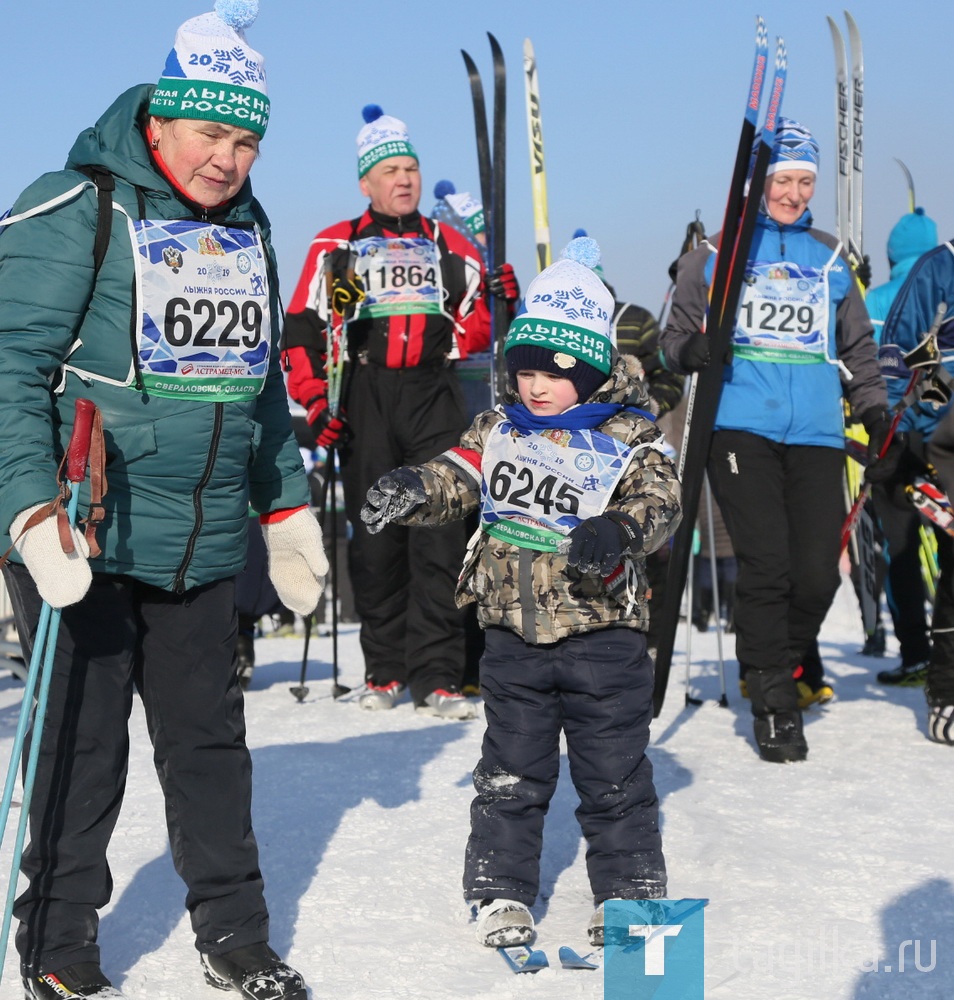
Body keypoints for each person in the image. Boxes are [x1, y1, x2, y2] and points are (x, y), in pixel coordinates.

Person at [0, 4, 326, 998]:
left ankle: (236, 933)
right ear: (160, 121)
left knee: (210, 745)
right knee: (80, 746)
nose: (228, 159)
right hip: (83, 528)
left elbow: (258, 383)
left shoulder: (250, 229)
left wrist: (286, 506)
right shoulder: (77, 205)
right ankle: (57, 944)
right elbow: (6, 366)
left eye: (246, 140)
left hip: (202, 536)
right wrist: (27, 511)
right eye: (210, 134)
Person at [360, 238, 682, 948]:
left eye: (559, 371)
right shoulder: (499, 427)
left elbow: (660, 499)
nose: (538, 385)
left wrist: (621, 528)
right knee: (511, 772)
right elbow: (456, 474)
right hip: (510, 634)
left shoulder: (630, 435)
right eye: (526, 368)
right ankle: (502, 889)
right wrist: (412, 487)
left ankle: (628, 891)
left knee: (613, 775)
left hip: (603, 635)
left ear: (594, 371)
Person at [660, 118, 895, 763]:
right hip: (740, 426)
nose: (794, 193)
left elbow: (857, 349)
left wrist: (873, 411)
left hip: (818, 431)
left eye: (804, 181)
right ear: (759, 184)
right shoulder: (714, 256)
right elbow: (671, 343)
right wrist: (695, 348)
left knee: (819, 573)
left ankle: (772, 658)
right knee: (767, 564)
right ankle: (773, 700)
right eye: (783, 180)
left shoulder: (829, 258)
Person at [281, 105, 519, 719]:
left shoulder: (446, 243)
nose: (405, 179)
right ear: (367, 182)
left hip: (431, 393)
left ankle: (438, 676)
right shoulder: (343, 245)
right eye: (390, 170)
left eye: (411, 168)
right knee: (378, 536)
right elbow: (307, 329)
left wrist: (500, 301)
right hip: (367, 394)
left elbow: (477, 322)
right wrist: (316, 404)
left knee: (440, 533)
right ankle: (384, 670)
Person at [879, 229, 954, 745]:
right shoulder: (939, 267)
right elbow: (893, 353)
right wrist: (897, 436)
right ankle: (945, 689)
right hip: (940, 438)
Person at [865, 207, 939, 685]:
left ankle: (915, 654)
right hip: (942, 436)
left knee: (899, 548)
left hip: (888, 437)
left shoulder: (874, 300)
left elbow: (858, 372)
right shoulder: (944, 291)